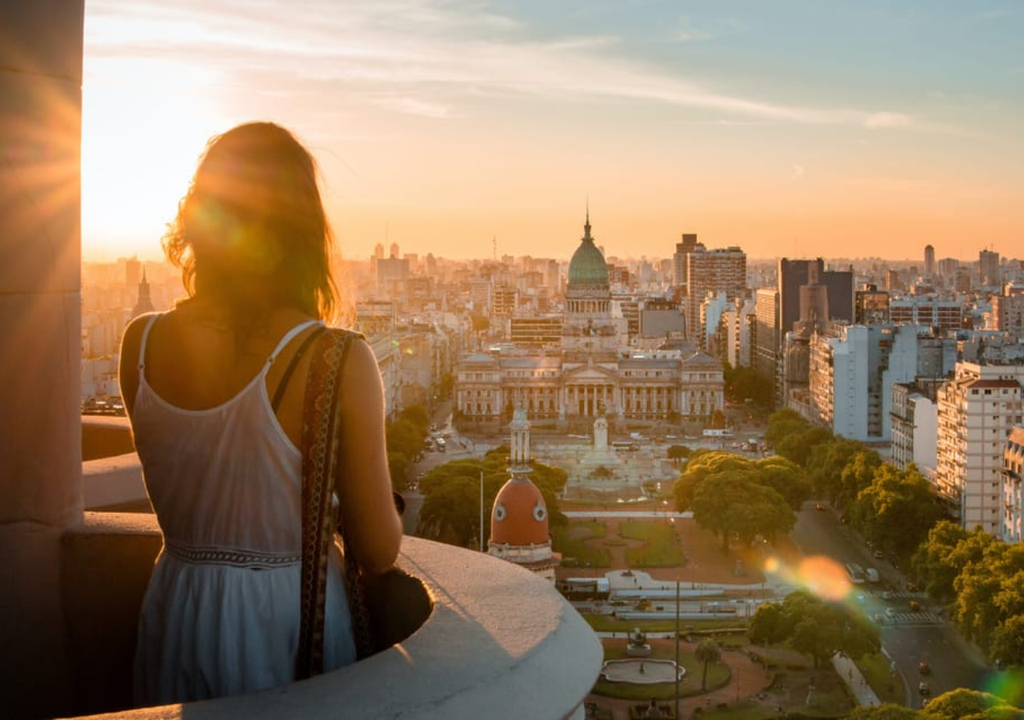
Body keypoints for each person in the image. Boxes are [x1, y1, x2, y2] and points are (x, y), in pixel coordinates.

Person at [119, 122, 403, 705]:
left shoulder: (138, 345)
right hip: (288, 623)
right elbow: (378, 550)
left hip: (176, 608)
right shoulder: (337, 359)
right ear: (302, 233)